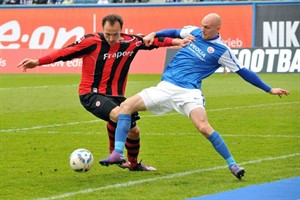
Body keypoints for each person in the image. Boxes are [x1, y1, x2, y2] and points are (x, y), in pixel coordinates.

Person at [99, 13, 290, 179]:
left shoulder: (223, 51)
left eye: (207, 27)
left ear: (217, 28)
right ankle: (117, 153)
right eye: (202, 25)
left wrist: (268, 89)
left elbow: (243, 71)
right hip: (165, 87)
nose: (203, 29)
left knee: (204, 127)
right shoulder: (195, 32)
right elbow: (174, 32)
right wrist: (154, 34)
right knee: (126, 107)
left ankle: (233, 164)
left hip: (189, 93)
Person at [17, 14, 190, 171]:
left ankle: (134, 164)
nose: (111, 38)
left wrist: (175, 42)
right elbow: (65, 53)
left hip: (116, 95)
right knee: (120, 114)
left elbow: (152, 41)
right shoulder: (91, 41)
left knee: (134, 132)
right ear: (103, 29)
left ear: (121, 31)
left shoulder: (130, 42)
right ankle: (115, 153)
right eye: (108, 34)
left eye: (115, 34)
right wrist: (37, 61)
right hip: (91, 94)